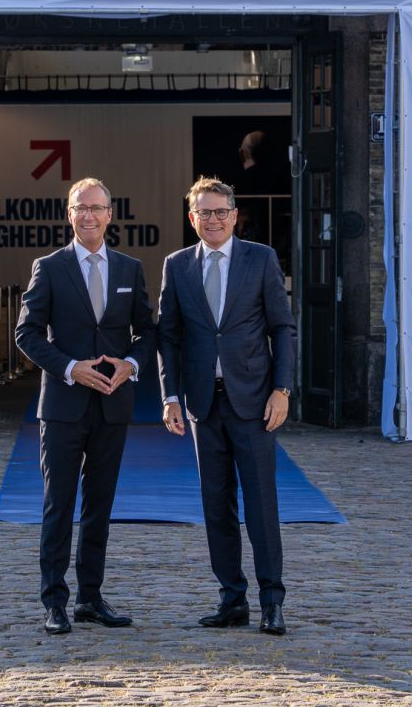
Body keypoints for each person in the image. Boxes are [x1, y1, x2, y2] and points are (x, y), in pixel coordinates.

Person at [15, 177, 156, 635]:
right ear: (69, 214)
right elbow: (26, 333)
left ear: (110, 215)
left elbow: (147, 331)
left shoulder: (130, 269)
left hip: (112, 406)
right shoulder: (49, 267)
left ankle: (90, 598)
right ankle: (54, 601)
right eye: (81, 207)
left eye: (97, 207)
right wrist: (70, 367)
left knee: (99, 505)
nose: (89, 215)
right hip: (62, 406)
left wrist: (131, 364)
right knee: (58, 504)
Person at [157, 177, 296, 636]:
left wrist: (282, 389)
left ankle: (272, 601)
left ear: (234, 216)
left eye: (221, 212)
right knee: (216, 505)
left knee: (261, 505)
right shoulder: (177, 265)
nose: (213, 220)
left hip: (255, 402)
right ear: (191, 218)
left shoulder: (261, 258)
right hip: (203, 405)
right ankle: (232, 599)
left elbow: (282, 328)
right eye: (204, 213)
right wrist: (170, 396)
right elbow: (169, 337)